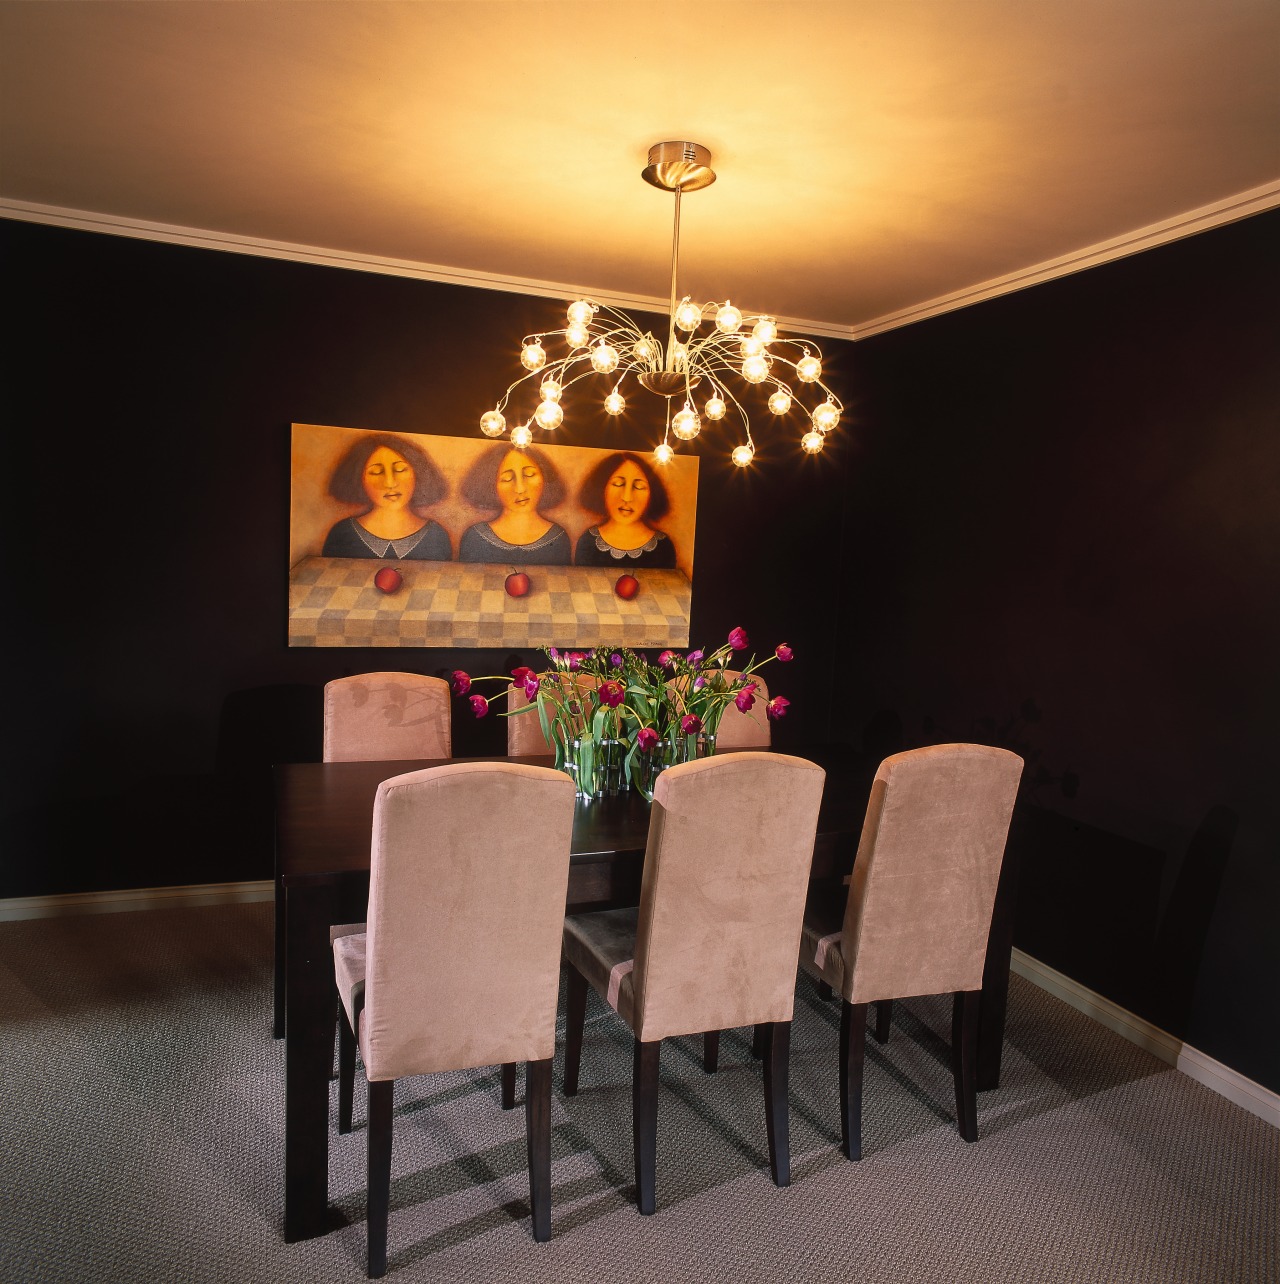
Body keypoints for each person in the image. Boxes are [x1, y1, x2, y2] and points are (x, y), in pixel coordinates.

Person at [321, 433, 453, 560]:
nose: (390, 483)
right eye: (376, 472)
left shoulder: (436, 534)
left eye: (400, 469)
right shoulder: (342, 533)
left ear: (417, 473)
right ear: (358, 478)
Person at [457, 444, 572, 564]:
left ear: (544, 476)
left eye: (529, 474)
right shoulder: (474, 537)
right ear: (491, 484)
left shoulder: (559, 536)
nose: (520, 488)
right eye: (507, 479)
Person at [574, 451, 676, 568]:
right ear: (603, 488)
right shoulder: (588, 541)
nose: (627, 497)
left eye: (639, 487)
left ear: (652, 494)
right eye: (618, 484)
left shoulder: (663, 546)